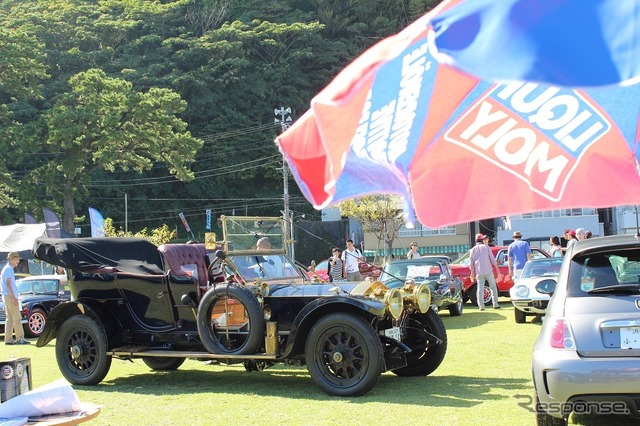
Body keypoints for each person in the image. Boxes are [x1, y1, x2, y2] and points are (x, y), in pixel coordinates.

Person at [2, 252, 30, 345]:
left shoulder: (7, 269)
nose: (18, 261)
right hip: (10, 296)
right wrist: (14, 298)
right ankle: (20, 338)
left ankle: (8, 339)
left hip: (6, 296)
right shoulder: (8, 269)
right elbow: (8, 284)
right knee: (17, 318)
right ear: (12, 259)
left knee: (9, 319)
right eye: (17, 259)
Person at [469, 234, 500, 310]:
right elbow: (492, 259)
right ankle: (495, 304)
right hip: (488, 270)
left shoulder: (472, 249)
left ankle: (481, 306)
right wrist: (497, 268)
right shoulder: (486, 247)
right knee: (493, 287)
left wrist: (472, 273)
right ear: (482, 240)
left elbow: (471, 263)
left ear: (476, 240)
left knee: (480, 288)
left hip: (479, 271)